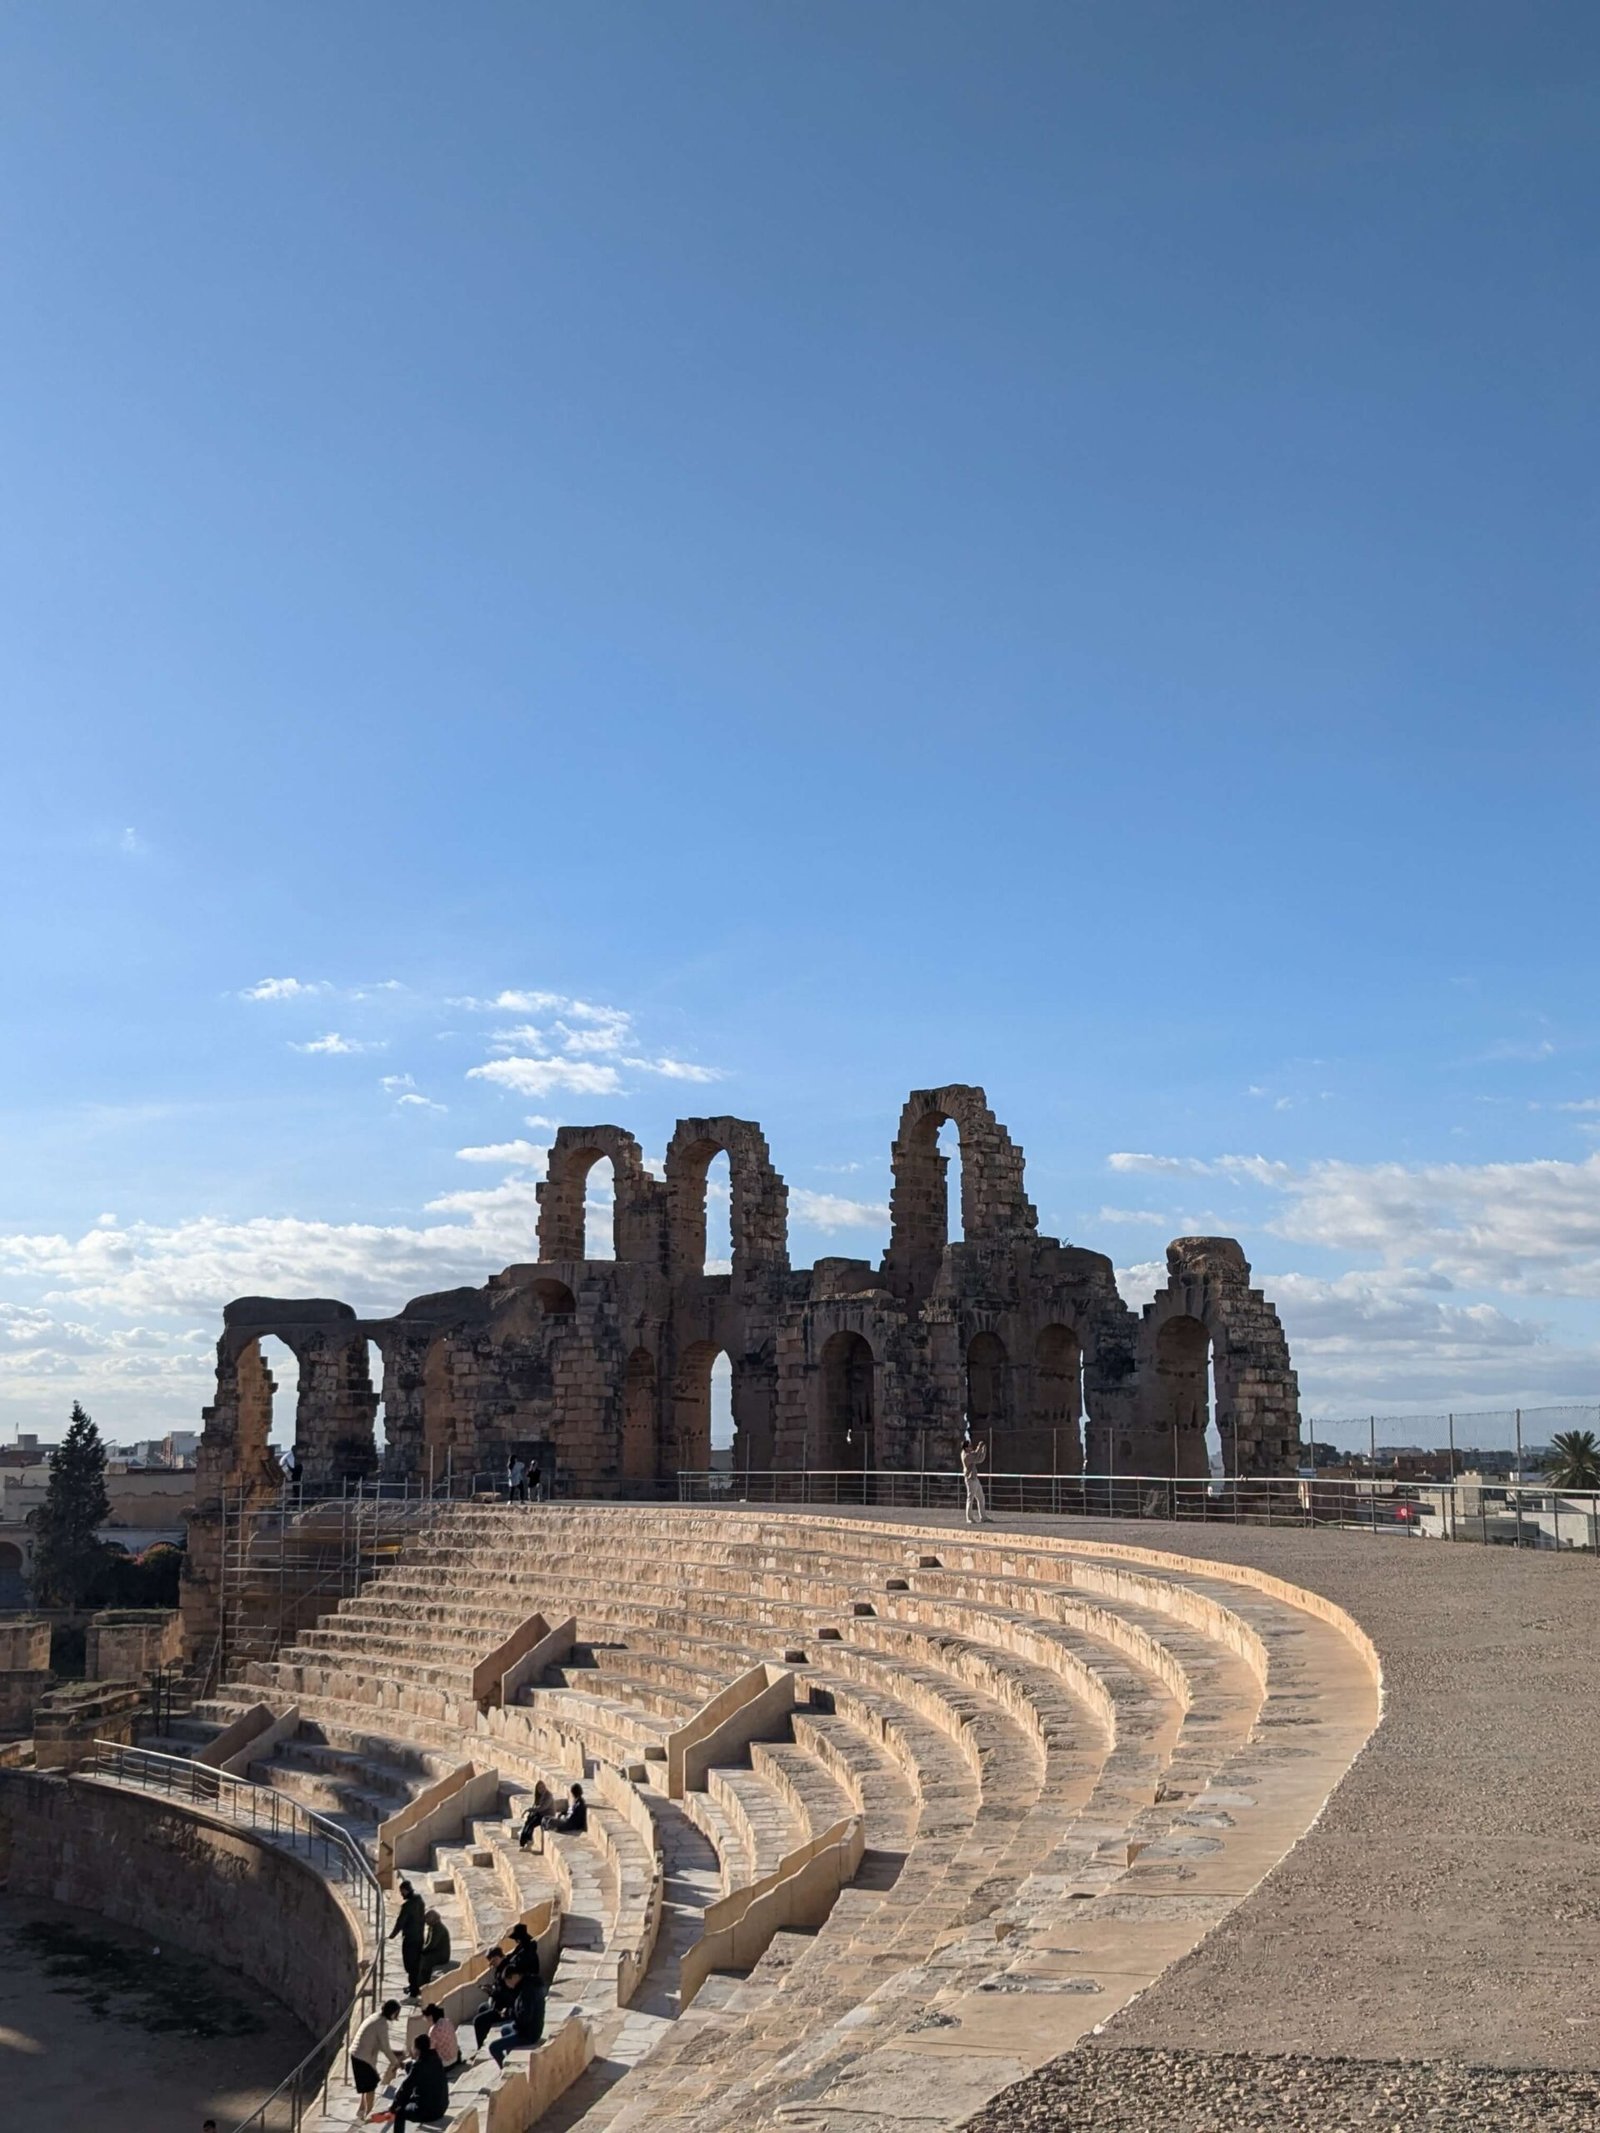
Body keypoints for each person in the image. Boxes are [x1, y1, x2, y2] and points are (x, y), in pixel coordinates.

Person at [350, 1998, 402, 2121]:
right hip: (362, 2057)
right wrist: (396, 2063)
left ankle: (361, 2109)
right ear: (393, 2012)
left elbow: (378, 2045)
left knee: (367, 2084)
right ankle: (369, 2115)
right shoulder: (381, 2024)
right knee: (370, 2087)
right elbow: (385, 2047)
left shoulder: (375, 2017)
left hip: (357, 2054)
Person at [487, 1962, 547, 2068]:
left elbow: (524, 2017)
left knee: (493, 2047)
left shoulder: (527, 1991)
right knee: (505, 2029)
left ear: (515, 1976)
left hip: (528, 2034)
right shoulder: (526, 1985)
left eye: (508, 1981)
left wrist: (509, 2013)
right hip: (528, 2028)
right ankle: (509, 2058)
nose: (508, 1984)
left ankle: (504, 2068)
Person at [390, 2030, 450, 2130]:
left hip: (427, 2113)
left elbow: (405, 2088)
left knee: (399, 2111)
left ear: (417, 2049)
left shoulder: (418, 2066)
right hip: (441, 2107)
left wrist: (393, 2106)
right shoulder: (436, 2058)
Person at [390, 1877, 427, 1998]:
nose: (401, 1894)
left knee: (410, 1965)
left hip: (410, 1939)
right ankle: (413, 1986)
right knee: (415, 1964)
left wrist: (392, 1936)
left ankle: (413, 1990)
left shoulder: (407, 1906)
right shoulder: (419, 1900)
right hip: (419, 1937)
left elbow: (400, 1922)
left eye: (402, 1892)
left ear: (405, 1891)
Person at [423, 2002, 461, 2072]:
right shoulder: (447, 2021)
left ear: (430, 2016)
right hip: (455, 2058)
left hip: (445, 2064)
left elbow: (431, 2049)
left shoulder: (433, 2030)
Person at [518, 1778, 554, 1849]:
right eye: (539, 1788)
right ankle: (523, 1842)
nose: (542, 1789)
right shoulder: (539, 1796)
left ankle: (529, 1842)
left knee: (532, 1823)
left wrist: (529, 1810)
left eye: (543, 1787)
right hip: (540, 1814)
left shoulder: (548, 1796)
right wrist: (530, 1813)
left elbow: (542, 1808)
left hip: (547, 1815)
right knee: (528, 1821)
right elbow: (535, 1806)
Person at [419, 1906, 451, 1984]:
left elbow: (431, 1945)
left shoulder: (438, 1929)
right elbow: (427, 1943)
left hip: (441, 1955)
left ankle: (423, 1983)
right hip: (435, 1952)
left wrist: (422, 1951)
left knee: (425, 1962)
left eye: (427, 1919)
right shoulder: (432, 1927)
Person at [960, 1436, 988, 1526]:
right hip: (970, 1479)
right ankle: (969, 1518)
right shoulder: (966, 1456)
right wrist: (980, 1447)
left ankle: (983, 1517)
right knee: (970, 1498)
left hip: (975, 1478)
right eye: (970, 1446)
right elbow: (977, 1458)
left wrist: (983, 1451)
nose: (971, 1447)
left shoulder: (969, 1453)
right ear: (966, 1448)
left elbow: (979, 1458)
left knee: (981, 1497)